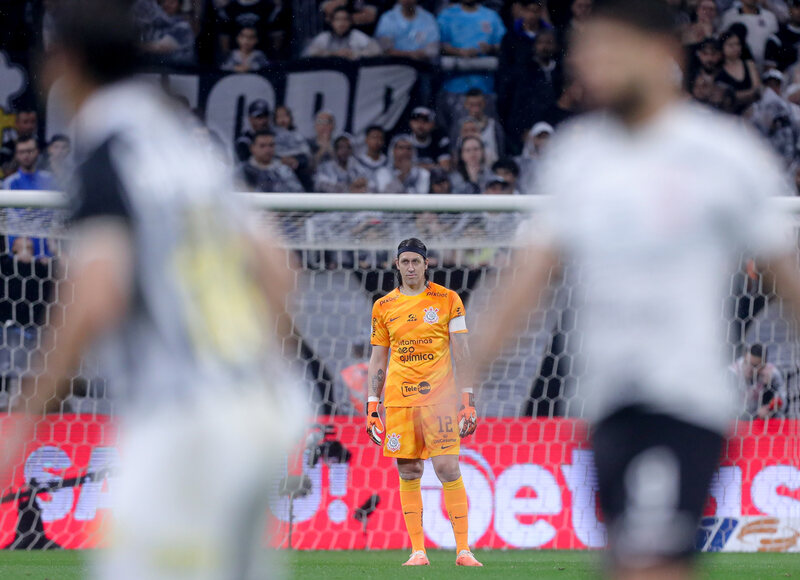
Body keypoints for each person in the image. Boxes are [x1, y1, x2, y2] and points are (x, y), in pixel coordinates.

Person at [467, 2, 800, 579]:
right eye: (588, 54)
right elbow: (529, 276)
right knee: (631, 562)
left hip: (683, 398)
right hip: (604, 401)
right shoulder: (578, 158)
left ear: (661, 55)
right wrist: (463, 374)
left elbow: (786, 274)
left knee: (650, 565)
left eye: (609, 51)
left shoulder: (723, 156)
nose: (592, 67)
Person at [8, 2, 305, 580]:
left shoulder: (107, 156)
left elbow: (96, 292)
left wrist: (23, 422)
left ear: (64, 63)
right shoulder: (185, 145)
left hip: (183, 426)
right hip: (262, 409)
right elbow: (277, 265)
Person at [366, 237, 481, 567]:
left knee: (447, 467)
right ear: (396, 264)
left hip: (440, 400)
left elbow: (462, 353)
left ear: (426, 264)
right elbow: (378, 359)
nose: (411, 267)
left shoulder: (448, 300)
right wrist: (373, 406)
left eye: (417, 261)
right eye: (405, 262)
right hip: (399, 400)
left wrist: (467, 401)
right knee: (409, 469)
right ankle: (418, 551)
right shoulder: (384, 306)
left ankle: (463, 550)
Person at [437, 0, 506, 110]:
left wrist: (490, 48)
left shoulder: (491, 16)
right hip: (453, 86)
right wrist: (458, 52)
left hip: (484, 86)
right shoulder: (447, 15)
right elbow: (437, 44)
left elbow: (504, 44)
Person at [505, 28, 563, 149]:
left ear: (556, 46)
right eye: (541, 43)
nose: (545, 47)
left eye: (549, 43)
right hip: (530, 131)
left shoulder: (562, 72)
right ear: (534, 46)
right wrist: (522, 130)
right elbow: (516, 104)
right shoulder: (524, 71)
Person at [730, 344, 786, 419]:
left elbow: (782, 401)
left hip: (761, 420)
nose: (748, 368)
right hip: (736, 418)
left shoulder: (772, 374)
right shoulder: (732, 373)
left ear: (764, 365)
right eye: (746, 363)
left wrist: (769, 408)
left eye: (754, 366)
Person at [237, 130, 305, 192]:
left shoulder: (284, 170)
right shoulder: (243, 170)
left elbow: (298, 194)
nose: (268, 150)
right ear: (252, 148)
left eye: (271, 145)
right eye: (262, 146)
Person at [304, 7, 381, 58]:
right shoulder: (325, 37)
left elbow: (377, 50)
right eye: (337, 19)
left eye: (345, 19)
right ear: (332, 22)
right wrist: (333, 54)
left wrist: (355, 54)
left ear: (350, 22)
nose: (341, 23)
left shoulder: (356, 35)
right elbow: (307, 53)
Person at [454, 88, 505, 167]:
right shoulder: (459, 126)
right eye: (472, 104)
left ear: (484, 103)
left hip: (491, 168)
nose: (475, 108)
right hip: (467, 171)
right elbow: (454, 151)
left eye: (478, 104)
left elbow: (501, 150)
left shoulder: (494, 125)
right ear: (466, 104)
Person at [375, 0, 440, 61]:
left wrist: (412, 55)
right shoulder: (388, 18)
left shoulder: (428, 18)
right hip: (394, 63)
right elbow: (385, 49)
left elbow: (432, 50)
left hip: (422, 64)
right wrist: (410, 55)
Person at [720, 0, 778, 67]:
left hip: (765, 66)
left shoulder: (770, 17)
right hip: (739, 67)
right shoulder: (729, 16)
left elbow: (774, 42)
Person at [716, 30, 761, 113]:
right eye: (731, 45)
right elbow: (722, 98)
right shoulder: (718, 69)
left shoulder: (749, 64)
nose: (736, 48)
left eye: (738, 44)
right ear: (722, 47)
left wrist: (735, 96)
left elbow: (757, 90)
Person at [235, 98, 272, 163]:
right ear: (250, 119)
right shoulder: (244, 142)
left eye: (265, 116)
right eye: (259, 117)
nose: (263, 121)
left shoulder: (274, 136)